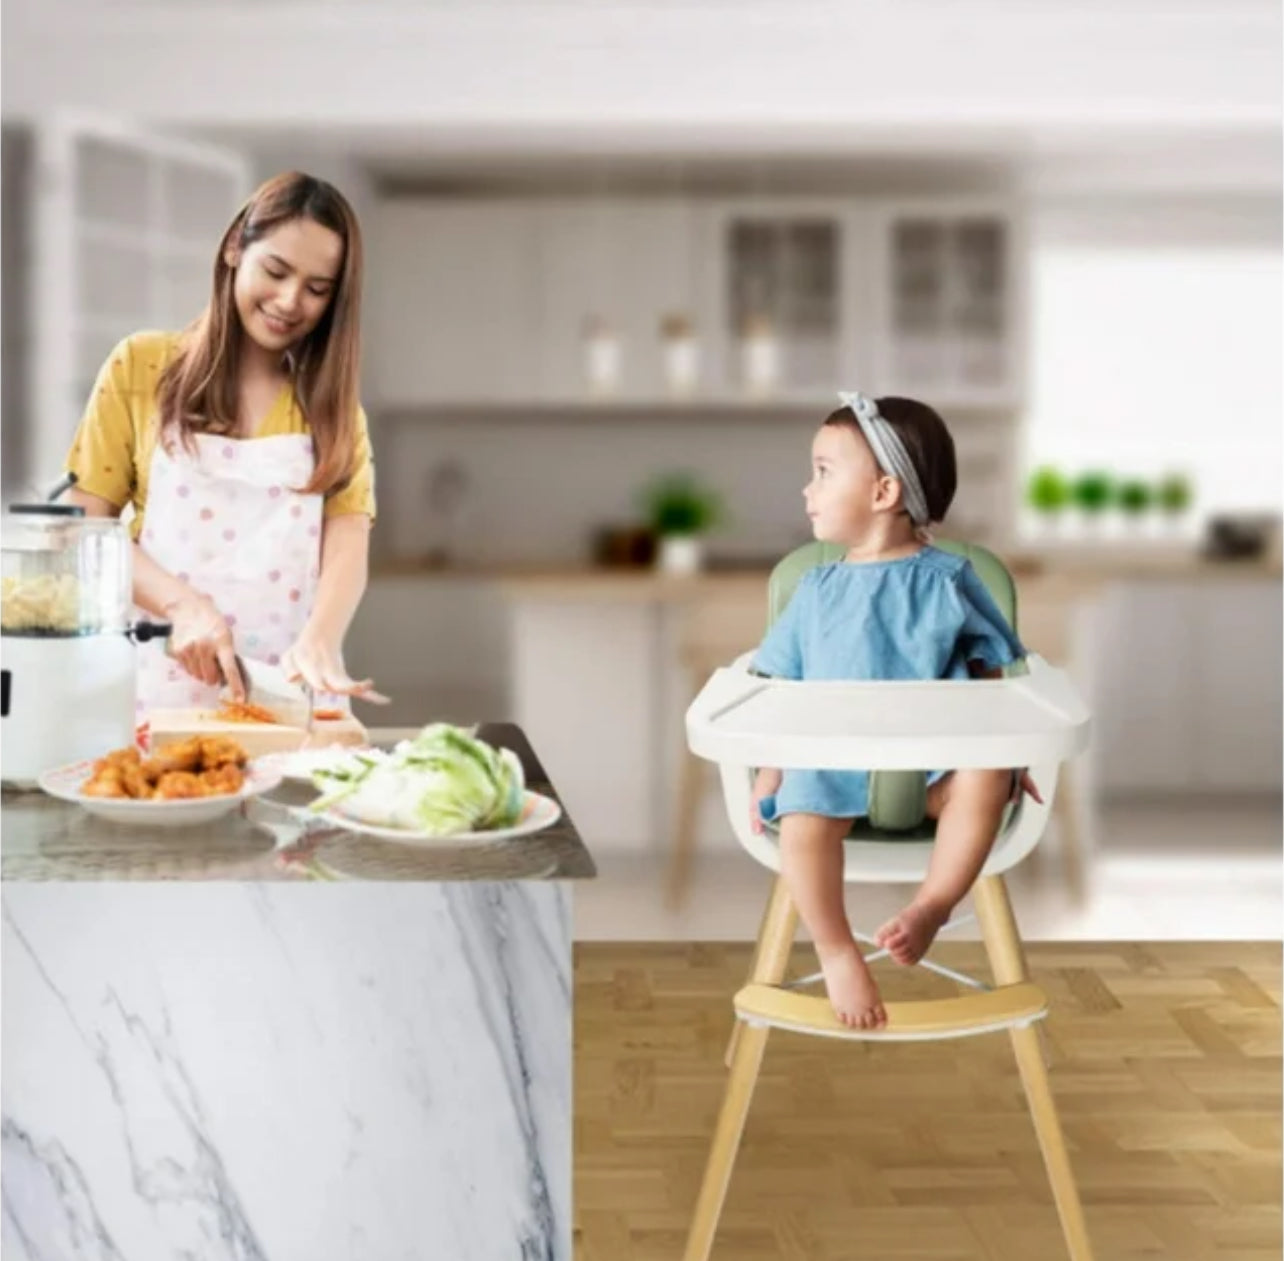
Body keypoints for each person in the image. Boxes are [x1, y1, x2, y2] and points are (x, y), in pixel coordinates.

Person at [749, 391, 1042, 1030]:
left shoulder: (950, 580)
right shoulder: (815, 589)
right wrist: (772, 766)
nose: (807, 490)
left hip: (933, 775)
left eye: (823, 472)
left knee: (984, 778)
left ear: (883, 493)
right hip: (829, 771)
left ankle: (932, 906)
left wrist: (1007, 752)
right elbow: (780, 689)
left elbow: (993, 675)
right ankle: (836, 948)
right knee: (801, 823)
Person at [64, 171, 383, 714]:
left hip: (287, 701)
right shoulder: (142, 366)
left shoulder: (334, 413)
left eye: (317, 289)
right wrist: (184, 606)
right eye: (276, 271)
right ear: (236, 247)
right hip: (156, 697)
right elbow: (84, 531)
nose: (289, 301)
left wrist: (322, 640)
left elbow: (348, 546)